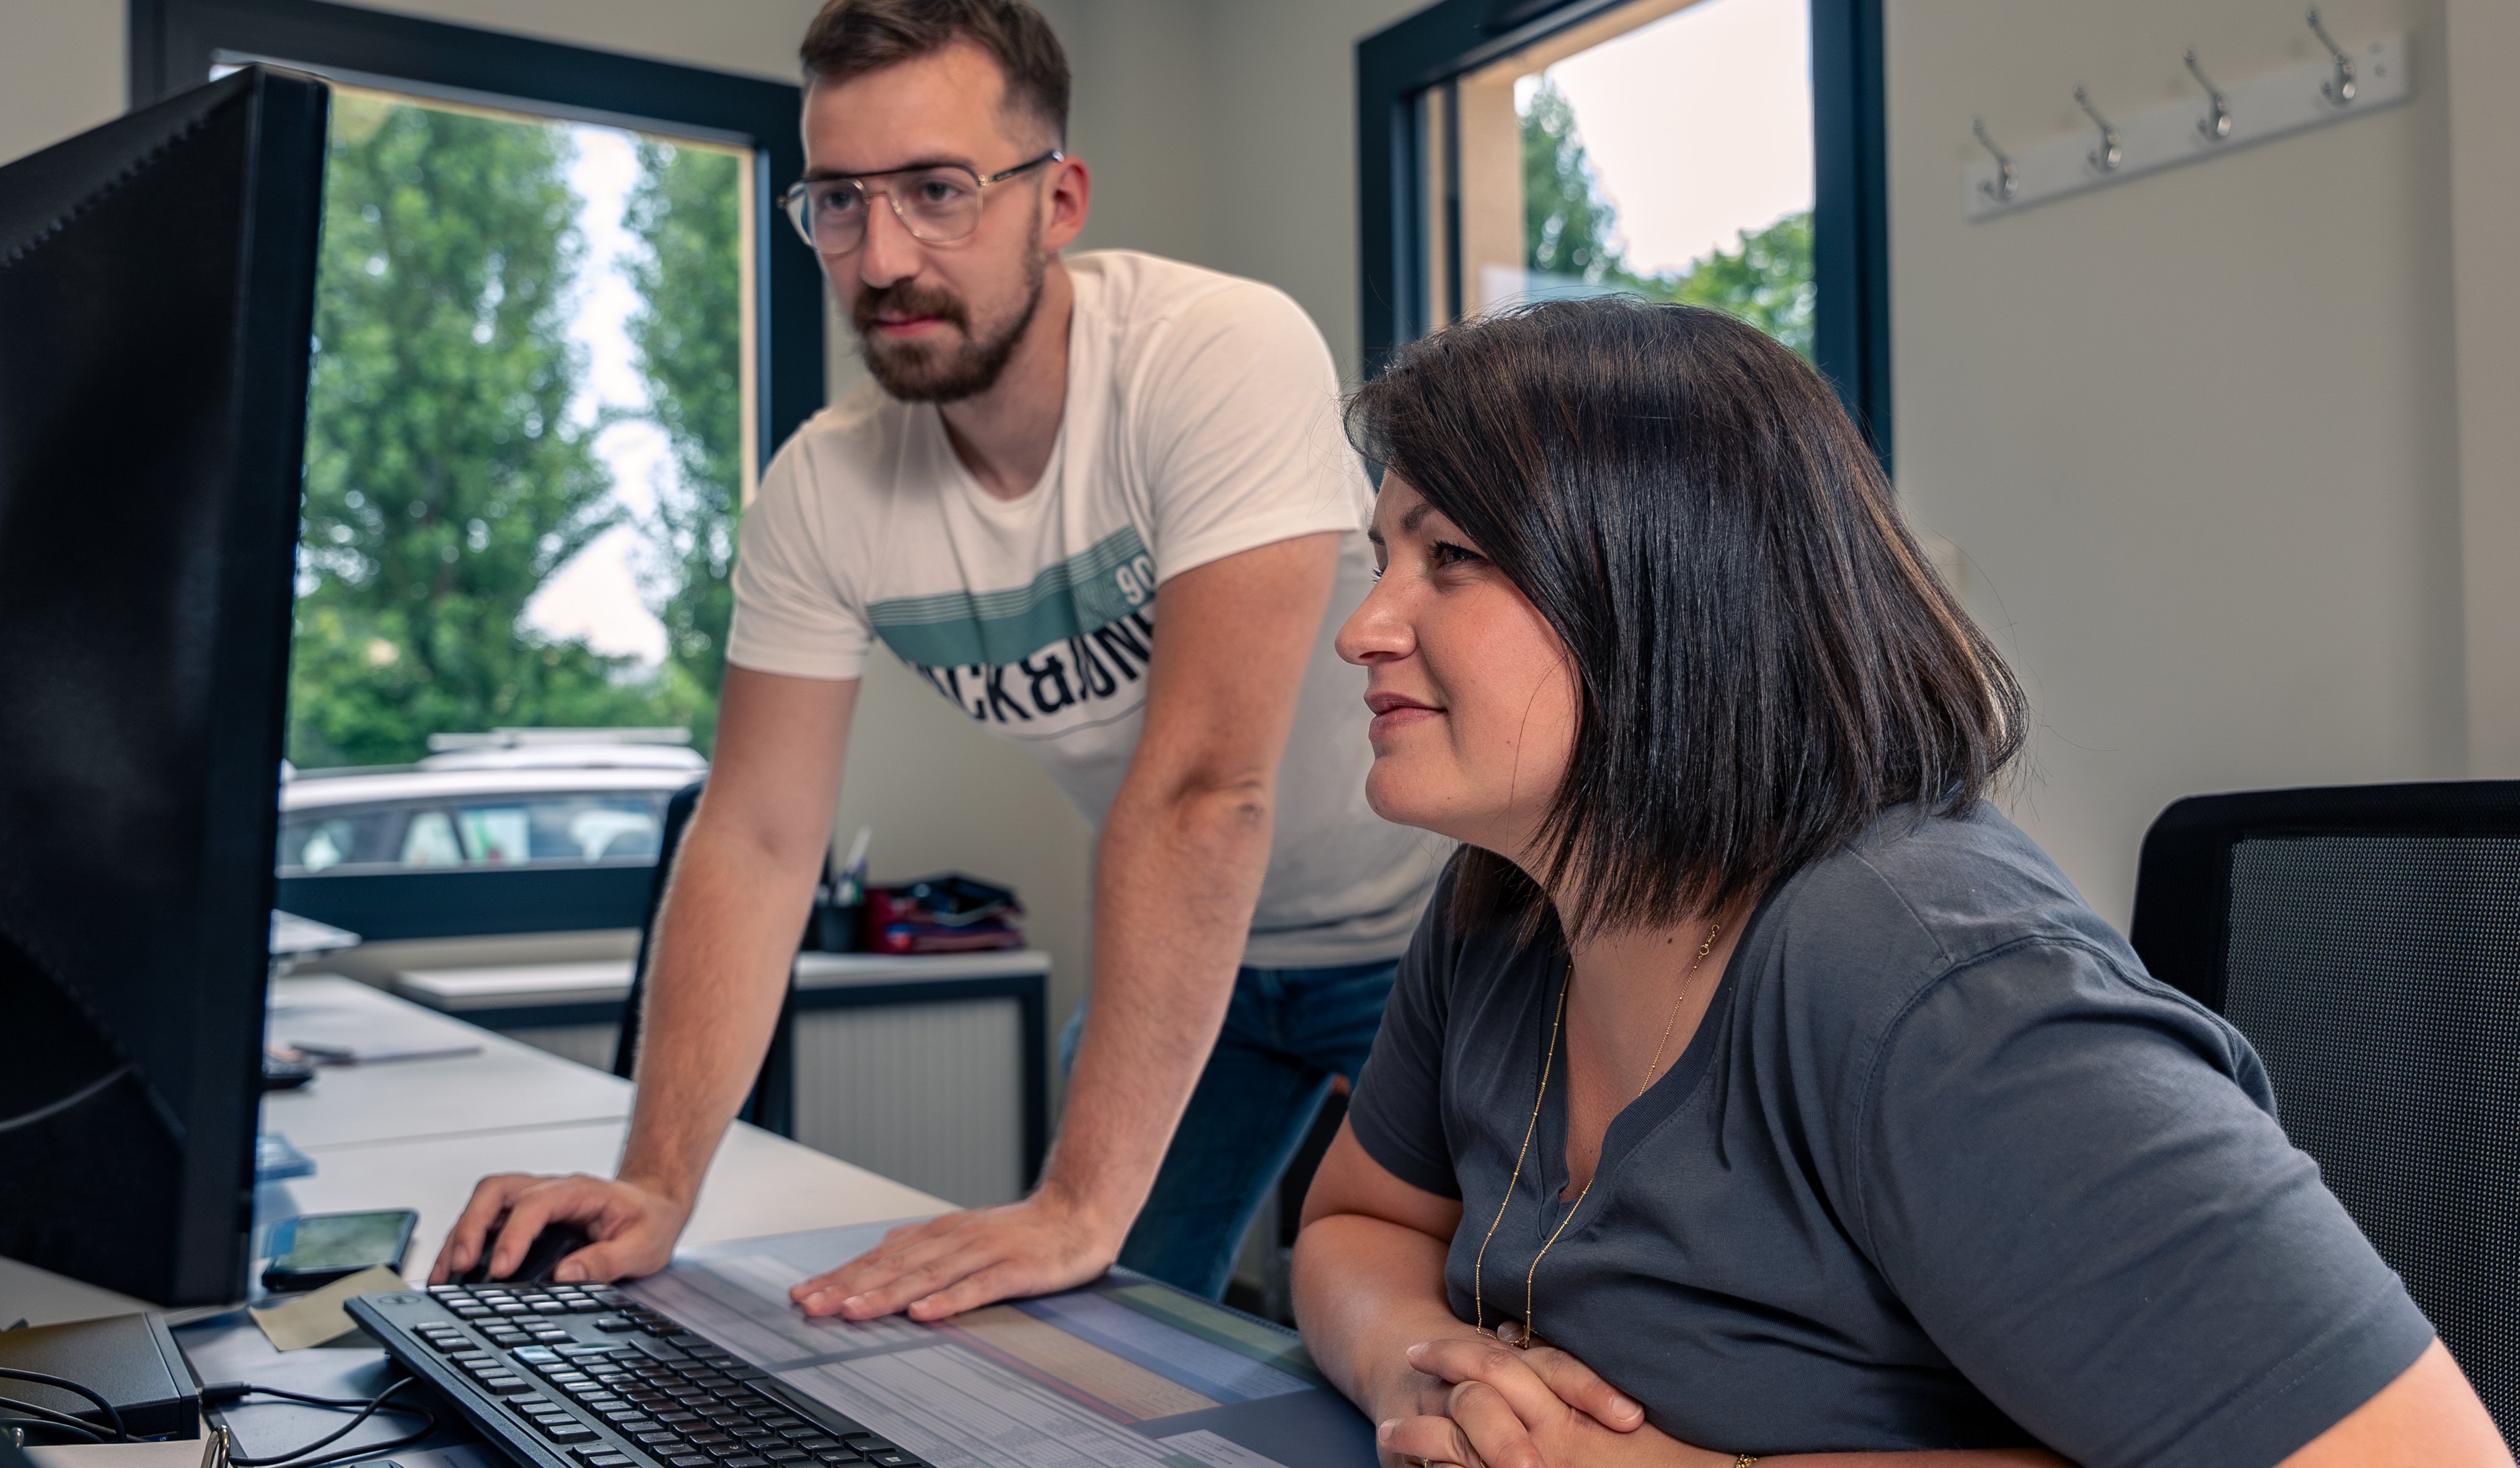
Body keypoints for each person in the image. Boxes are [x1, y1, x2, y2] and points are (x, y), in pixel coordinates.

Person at [1296, 299, 2511, 1468]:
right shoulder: (1506, 904)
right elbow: (1360, 1222)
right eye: (1383, 557)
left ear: (1672, 584)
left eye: (1448, 556)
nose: (1363, 629)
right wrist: (1417, 1366)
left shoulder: (1930, 980)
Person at [428, 0, 1444, 1313]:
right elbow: (754, 836)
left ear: (1057, 201)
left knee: (1471, 1335)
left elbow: (1207, 792)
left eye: (937, 191)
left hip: (1438, 937)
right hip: (1209, 964)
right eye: (838, 202)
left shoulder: (1213, 353)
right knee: (1103, 1339)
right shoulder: (822, 490)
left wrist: (1075, 1202)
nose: (883, 254)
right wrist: (658, 1181)